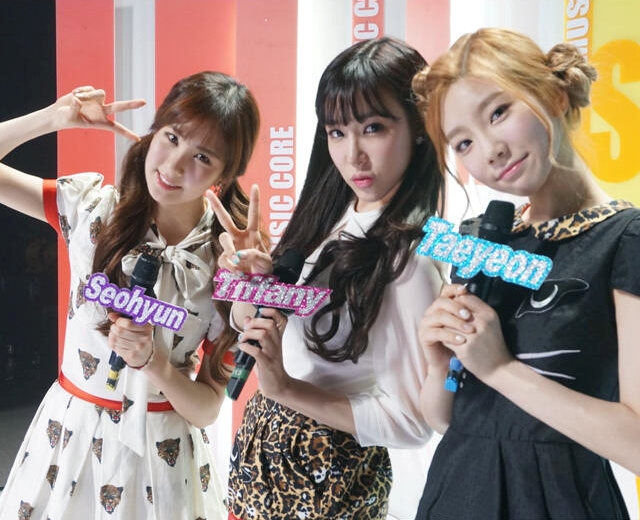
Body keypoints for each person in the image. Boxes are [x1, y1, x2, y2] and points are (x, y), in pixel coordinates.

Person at [0, 71, 260, 519]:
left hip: (162, 459)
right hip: (67, 440)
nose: (173, 165)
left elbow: (206, 409)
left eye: (202, 156)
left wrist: (155, 363)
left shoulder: (230, 261)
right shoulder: (92, 208)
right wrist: (53, 118)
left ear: (227, 172)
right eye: (171, 136)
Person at [208, 36, 445, 520]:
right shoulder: (327, 216)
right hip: (264, 453)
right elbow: (257, 324)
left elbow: (413, 423)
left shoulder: (409, 258)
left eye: (373, 128)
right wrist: (250, 283)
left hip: (329, 475)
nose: (353, 154)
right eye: (337, 132)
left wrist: (285, 388)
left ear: (419, 126)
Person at [411, 27, 640, 519]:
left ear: (554, 94)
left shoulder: (626, 240)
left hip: (558, 502)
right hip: (454, 496)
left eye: (498, 112)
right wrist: (438, 366)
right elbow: (448, 419)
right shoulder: (484, 240)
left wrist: (500, 369)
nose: (489, 150)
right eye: (463, 142)